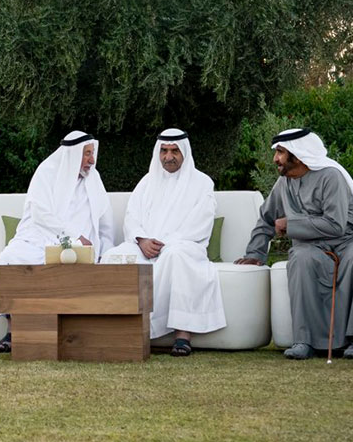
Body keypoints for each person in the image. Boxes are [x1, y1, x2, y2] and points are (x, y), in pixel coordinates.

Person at [102, 129, 226, 355]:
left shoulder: (201, 183)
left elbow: (200, 224)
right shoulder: (147, 182)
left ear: (184, 152)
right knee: (114, 256)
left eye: (174, 150)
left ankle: (182, 335)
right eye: (164, 151)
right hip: (145, 246)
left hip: (184, 246)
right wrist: (141, 240)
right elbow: (132, 217)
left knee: (175, 256)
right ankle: (120, 330)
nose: (169, 156)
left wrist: (163, 245)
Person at [236, 127, 353, 359]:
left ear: (297, 155)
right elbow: (266, 220)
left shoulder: (331, 177)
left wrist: (291, 225)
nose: (275, 159)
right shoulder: (285, 183)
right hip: (310, 246)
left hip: (345, 241)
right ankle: (304, 340)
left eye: (279, 152)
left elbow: (336, 225)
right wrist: (256, 253)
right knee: (300, 259)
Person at [0, 130, 112, 352]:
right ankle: (12, 331)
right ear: (73, 155)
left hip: (81, 247)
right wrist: (73, 236)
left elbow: (105, 221)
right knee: (12, 257)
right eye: (86, 154)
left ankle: (68, 336)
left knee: (79, 263)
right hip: (40, 237)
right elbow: (40, 215)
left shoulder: (94, 180)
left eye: (92, 154)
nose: (91, 160)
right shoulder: (46, 173)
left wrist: (106, 250)